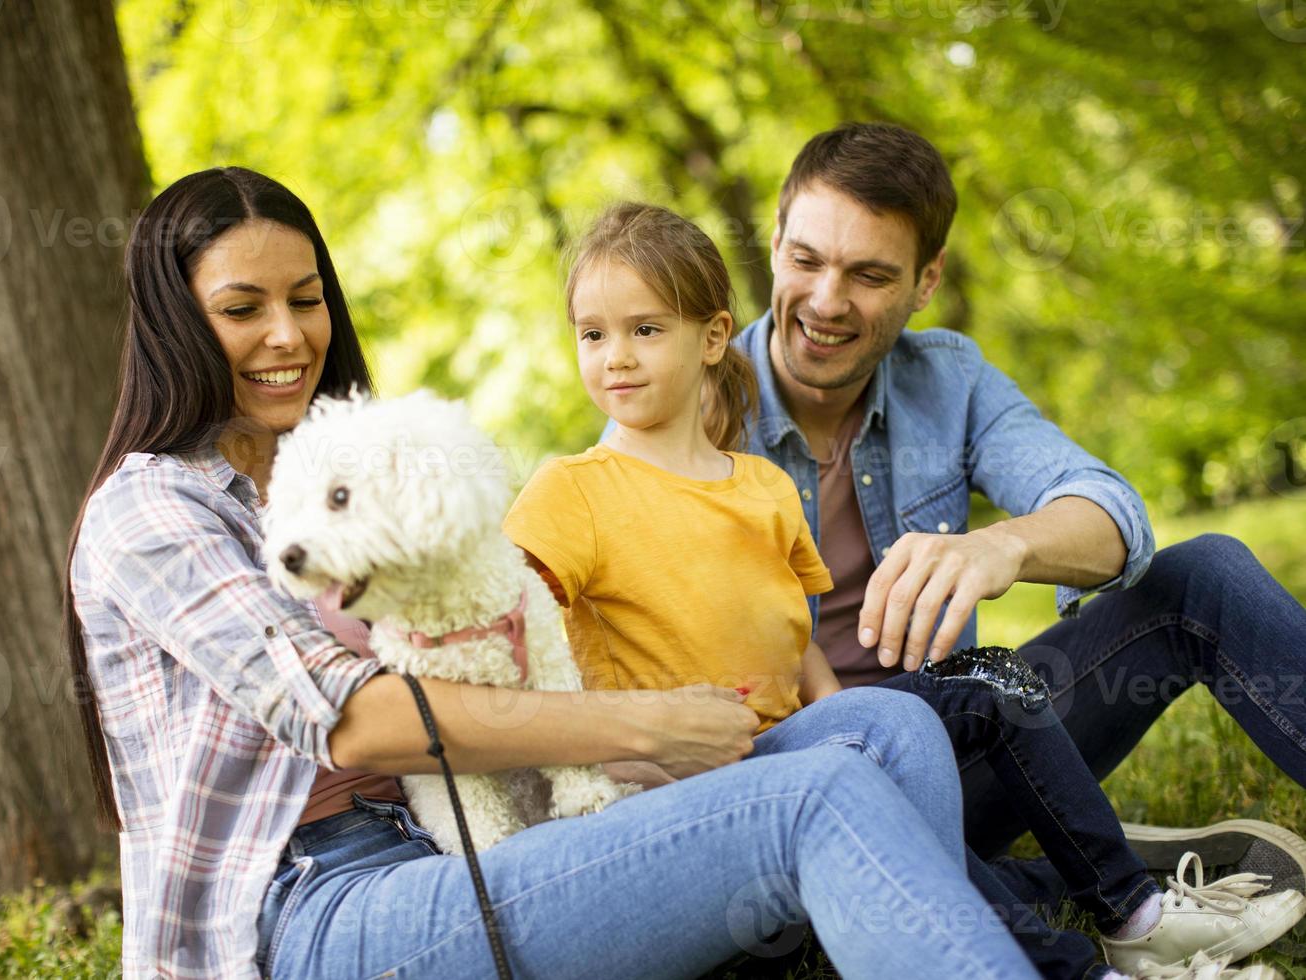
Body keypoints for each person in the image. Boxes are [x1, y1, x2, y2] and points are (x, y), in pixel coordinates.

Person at [63, 166, 1041, 980]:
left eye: (305, 298)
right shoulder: (149, 512)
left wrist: (617, 749)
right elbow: (355, 714)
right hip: (312, 905)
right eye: (243, 308)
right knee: (811, 795)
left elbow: (496, 640)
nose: (288, 334)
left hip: (469, 827)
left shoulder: (333, 466)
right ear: (173, 322)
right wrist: (645, 724)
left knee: (884, 723)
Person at [507, 201, 1297, 979]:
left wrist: (1002, 547)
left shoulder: (773, 478)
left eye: (645, 330)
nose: (616, 356)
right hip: (727, 787)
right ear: (775, 248)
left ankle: (1135, 914)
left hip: (860, 737)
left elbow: (799, 639)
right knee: (870, 781)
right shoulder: (583, 485)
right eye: (593, 334)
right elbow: (507, 638)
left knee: (1023, 663)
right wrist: (614, 750)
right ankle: (1076, 942)